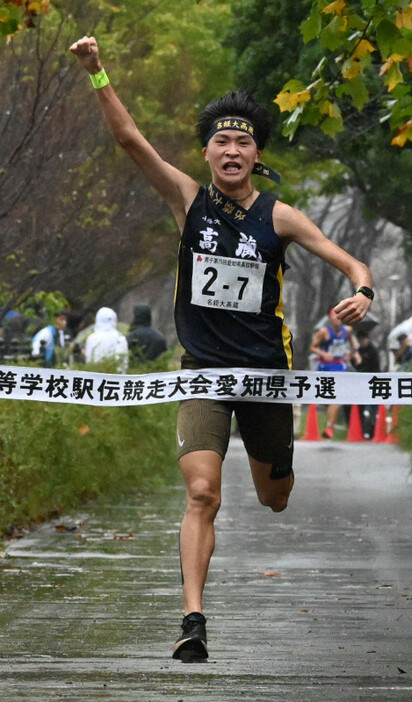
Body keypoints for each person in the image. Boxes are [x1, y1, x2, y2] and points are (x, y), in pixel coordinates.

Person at [69, 35, 374, 662]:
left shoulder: (280, 218)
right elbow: (131, 141)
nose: (231, 150)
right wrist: (98, 71)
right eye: (220, 142)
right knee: (202, 492)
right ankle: (193, 620)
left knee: (273, 497)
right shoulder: (189, 200)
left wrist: (363, 290)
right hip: (203, 372)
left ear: (256, 153)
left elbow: (352, 261)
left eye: (243, 142)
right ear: (207, 153)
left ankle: (278, 469)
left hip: (265, 374)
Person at [309, 307, 361, 439]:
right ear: (330, 318)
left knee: (335, 398)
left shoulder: (347, 330)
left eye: (339, 315)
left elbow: (353, 346)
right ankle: (330, 424)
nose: (337, 318)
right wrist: (323, 353)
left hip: (339, 367)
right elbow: (312, 347)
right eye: (334, 315)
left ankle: (329, 428)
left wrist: (350, 354)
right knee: (327, 400)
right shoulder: (324, 332)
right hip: (324, 367)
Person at [84, 306, 128, 373]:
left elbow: (89, 362)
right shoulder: (120, 338)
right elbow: (123, 364)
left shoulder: (91, 339)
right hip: (117, 380)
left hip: (96, 378)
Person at [354, 329, 380, 439]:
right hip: (361, 383)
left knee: (372, 409)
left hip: (373, 381)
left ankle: (373, 431)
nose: (362, 342)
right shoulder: (359, 351)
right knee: (361, 408)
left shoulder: (373, 350)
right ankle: (362, 430)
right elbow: (357, 366)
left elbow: (374, 366)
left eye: (363, 340)